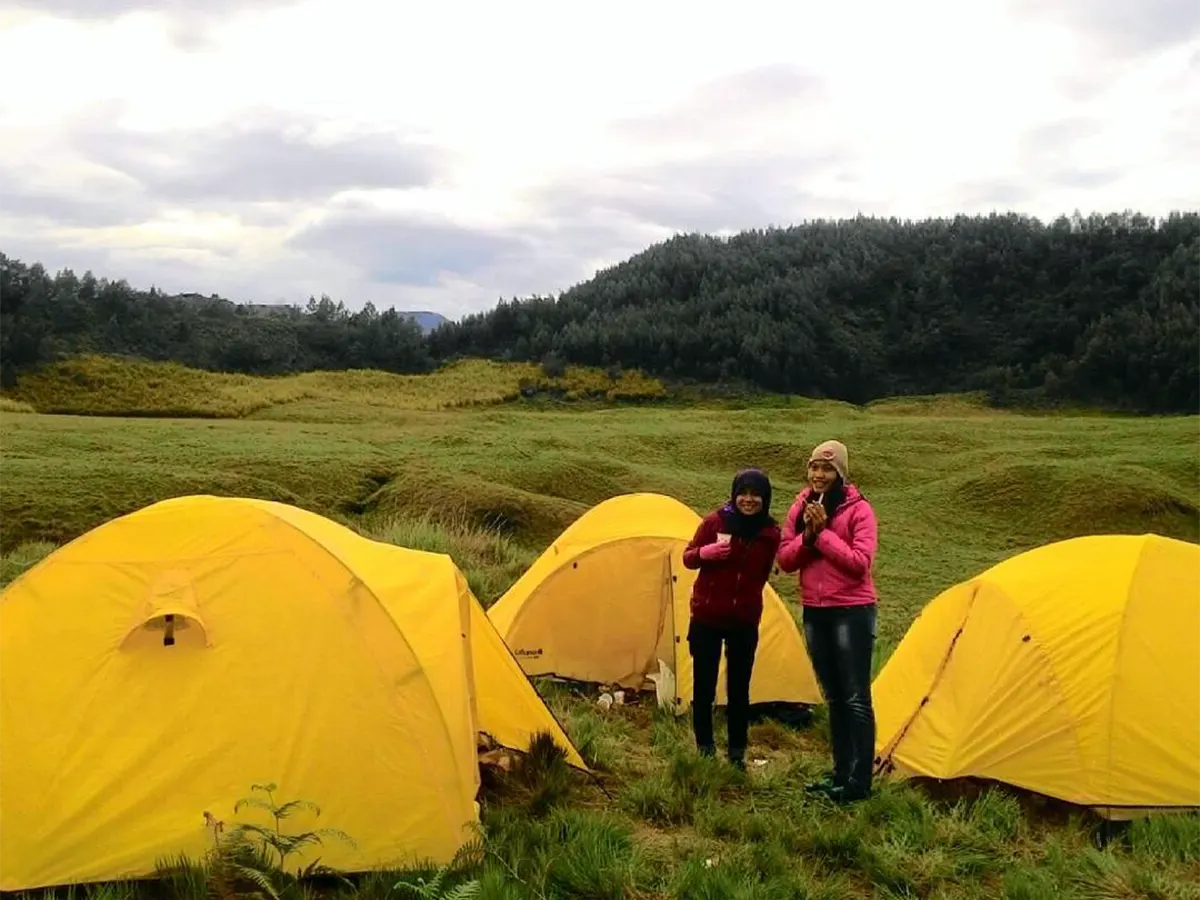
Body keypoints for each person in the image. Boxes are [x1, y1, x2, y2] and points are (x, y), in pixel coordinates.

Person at [777, 439, 879, 802]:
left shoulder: (859, 510)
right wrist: (808, 536)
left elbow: (858, 564)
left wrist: (822, 536)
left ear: (840, 473)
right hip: (815, 610)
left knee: (856, 698)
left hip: (851, 610)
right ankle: (839, 773)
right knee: (834, 698)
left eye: (827, 468)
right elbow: (786, 560)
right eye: (814, 467)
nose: (819, 475)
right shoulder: (800, 505)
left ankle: (859, 782)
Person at [680, 469, 781, 769]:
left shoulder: (770, 534)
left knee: (739, 689)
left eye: (755, 495)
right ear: (734, 494)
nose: (748, 500)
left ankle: (737, 753)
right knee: (704, 687)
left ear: (765, 499)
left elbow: (764, 573)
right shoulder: (715, 522)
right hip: (707, 618)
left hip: (744, 622)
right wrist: (705, 552)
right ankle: (705, 749)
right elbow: (688, 558)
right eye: (743, 493)